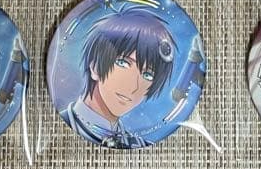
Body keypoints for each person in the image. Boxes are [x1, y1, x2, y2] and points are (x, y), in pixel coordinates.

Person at [60, 9, 177, 149]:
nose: (134, 87)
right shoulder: (58, 126)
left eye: (147, 75)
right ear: (95, 67)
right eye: (123, 63)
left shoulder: (139, 145)